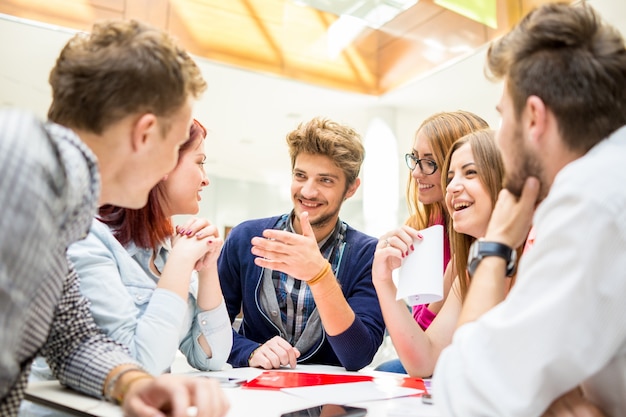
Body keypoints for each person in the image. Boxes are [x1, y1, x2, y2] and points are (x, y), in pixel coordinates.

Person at [0, 19, 229, 417]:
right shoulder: (21, 158)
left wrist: (132, 383)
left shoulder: (65, 209)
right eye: (174, 147)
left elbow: (73, 340)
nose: (166, 169)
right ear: (144, 134)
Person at [433, 3, 626, 416]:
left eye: (503, 116)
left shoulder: (591, 199)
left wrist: (496, 246)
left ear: (534, 117)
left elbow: (467, 397)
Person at [21, 119, 233, 417]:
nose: (206, 179)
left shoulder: (162, 249)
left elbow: (212, 358)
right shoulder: (87, 238)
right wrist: (182, 263)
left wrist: (207, 268)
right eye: (200, 162)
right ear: (163, 165)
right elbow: (141, 366)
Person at [218, 117, 385, 371]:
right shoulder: (244, 238)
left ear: (351, 188)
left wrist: (320, 276)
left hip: (331, 401)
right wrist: (250, 352)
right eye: (300, 175)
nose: (308, 191)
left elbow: (358, 355)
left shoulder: (368, 254)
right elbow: (209, 330)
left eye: (325, 180)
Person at [373, 129, 509, 377]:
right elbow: (425, 359)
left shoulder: (535, 251)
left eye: (470, 172)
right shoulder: (468, 267)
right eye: (451, 176)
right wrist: (383, 282)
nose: (452, 187)